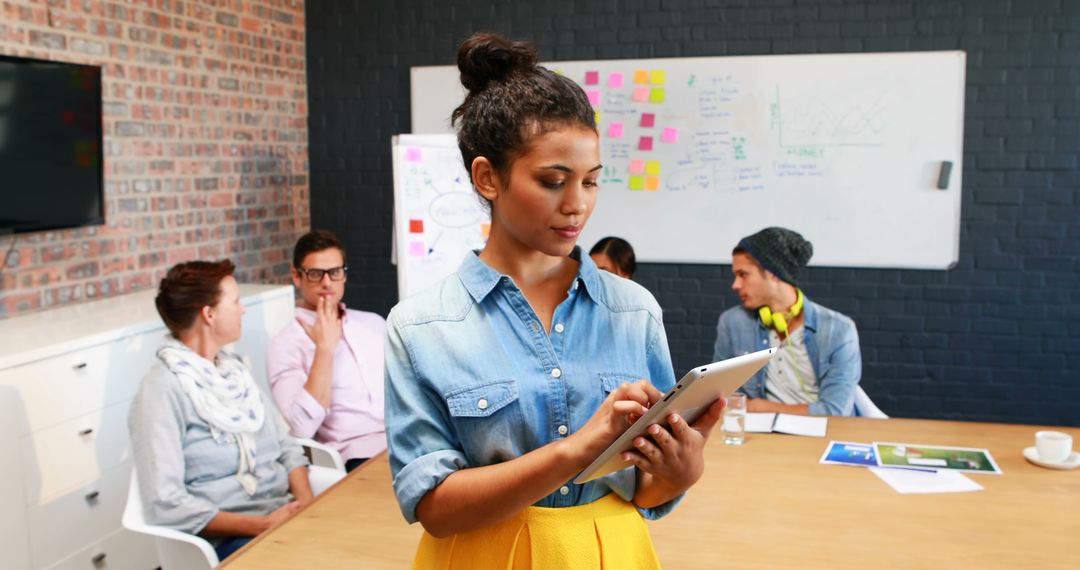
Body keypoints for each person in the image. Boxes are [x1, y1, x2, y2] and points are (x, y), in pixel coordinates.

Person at [384, 32, 726, 569]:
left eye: (591, 182)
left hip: (610, 553)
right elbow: (435, 508)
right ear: (487, 177)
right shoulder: (422, 326)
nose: (577, 204)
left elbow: (643, 493)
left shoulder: (633, 311)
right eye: (552, 181)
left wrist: (682, 470)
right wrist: (577, 449)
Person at [129, 260, 313, 561]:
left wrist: (306, 505)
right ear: (209, 314)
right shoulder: (161, 390)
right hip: (232, 541)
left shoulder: (234, 372)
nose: (243, 310)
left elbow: (287, 448)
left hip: (285, 518)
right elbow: (165, 503)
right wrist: (262, 525)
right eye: (236, 301)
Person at [267, 230, 386, 472]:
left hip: (407, 440)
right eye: (315, 274)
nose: (326, 282)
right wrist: (325, 350)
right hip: (357, 454)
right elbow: (301, 428)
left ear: (344, 275)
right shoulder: (285, 345)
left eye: (335, 272)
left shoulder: (373, 324)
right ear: (296, 276)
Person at [712, 227, 862, 416]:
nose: (735, 284)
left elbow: (834, 411)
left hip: (822, 434)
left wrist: (760, 407)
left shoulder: (839, 330)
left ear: (774, 273)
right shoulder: (733, 322)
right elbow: (721, 397)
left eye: (743, 274)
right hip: (760, 436)